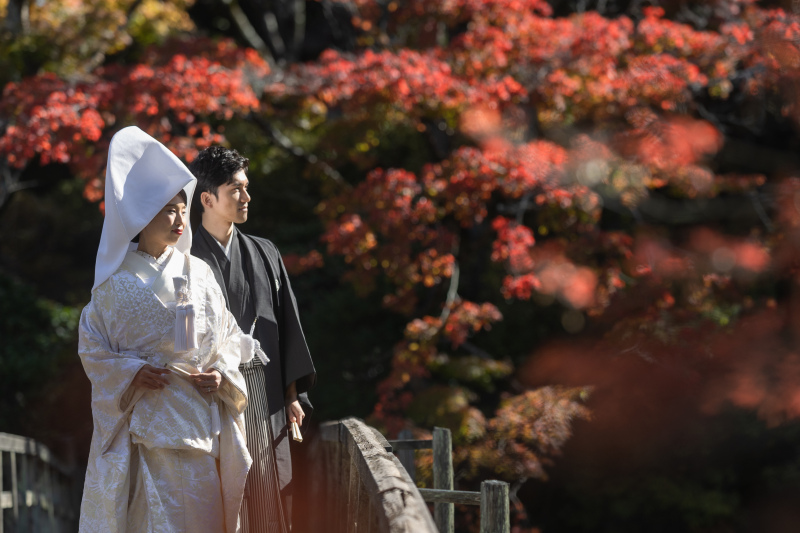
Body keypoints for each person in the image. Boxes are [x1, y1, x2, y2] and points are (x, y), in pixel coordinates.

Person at [78, 126, 265, 533]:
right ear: (142, 215)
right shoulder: (112, 285)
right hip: (142, 428)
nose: (180, 220)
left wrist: (221, 374)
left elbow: (227, 338)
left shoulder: (199, 273)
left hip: (197, 425)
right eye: (168, 211)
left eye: (183, 210)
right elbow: (92, 349)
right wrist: (130, 373)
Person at [188, 146, 316, 532]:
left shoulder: (265, 252)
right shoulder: (184, 256)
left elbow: (287, 324)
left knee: (269, 498)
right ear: (207, 199)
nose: (246, 197)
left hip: (265, 394)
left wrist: (292, 395)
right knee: (220, 501)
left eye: (246, 187)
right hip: (211, 395)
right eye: (235, 190)